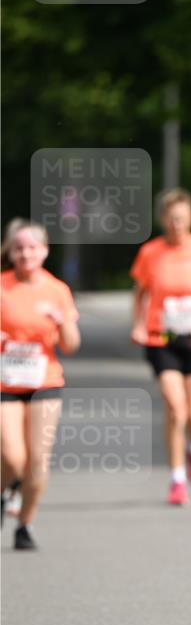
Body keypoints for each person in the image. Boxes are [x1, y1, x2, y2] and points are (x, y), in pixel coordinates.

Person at [130, 189, 191, 506]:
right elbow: (141, 292)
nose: (177, 225)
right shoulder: (151, 253)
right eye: (172, 219)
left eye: (182, 219)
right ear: (162, 220)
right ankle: (177, 479)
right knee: (176, 408)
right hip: (163, 339)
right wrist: (138, 324)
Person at [1, 219, 80, 549]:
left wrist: (62, 324)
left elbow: (72, 345)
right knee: (12, 457)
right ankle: (7, 489)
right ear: (10, 251)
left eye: (32, 247)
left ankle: (25, 524)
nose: (26, 253)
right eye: (19, 248)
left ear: (44, 251)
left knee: (38, 461)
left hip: (44, 380)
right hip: (5, 381)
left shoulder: (57, 290)